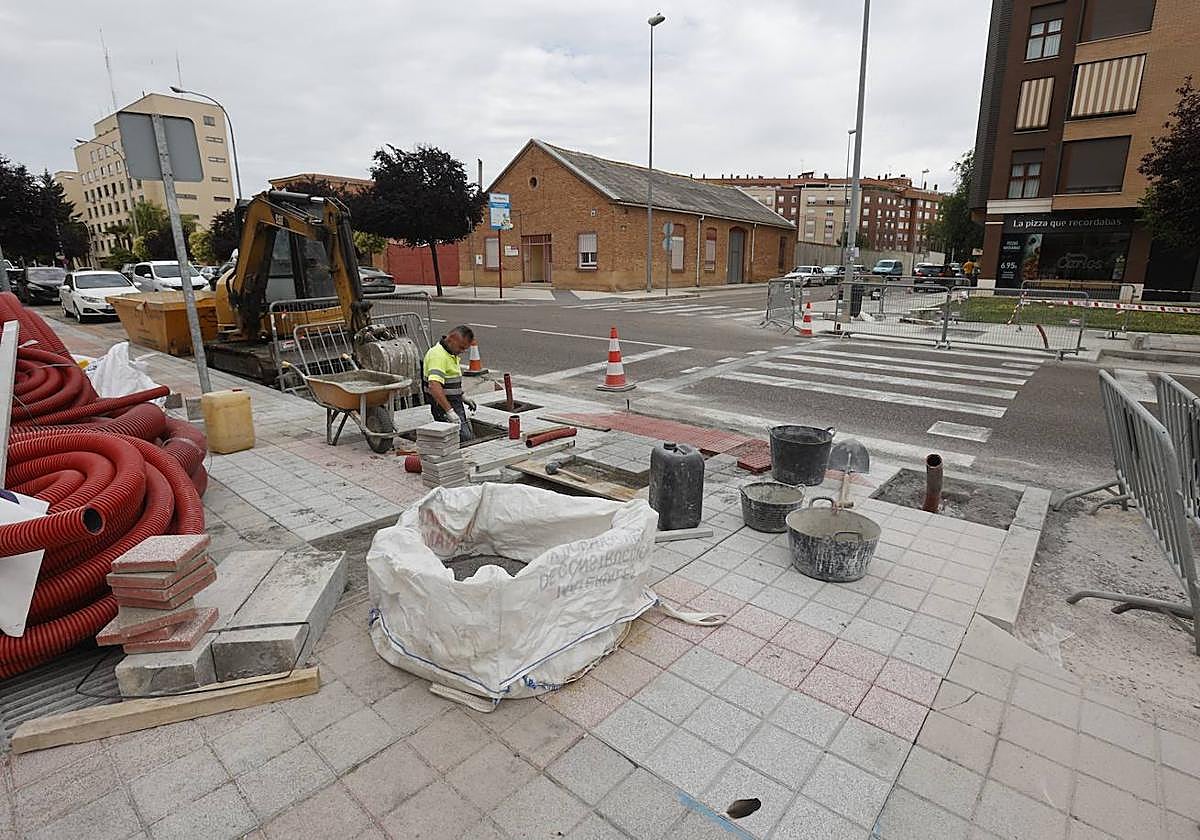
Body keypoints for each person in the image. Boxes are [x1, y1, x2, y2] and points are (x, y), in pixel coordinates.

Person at [423, 325, 477, 442]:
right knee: (462, 438)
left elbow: (449, 382)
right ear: (451, 339)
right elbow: (434, 385)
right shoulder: (438, 356)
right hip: (443, 406)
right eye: (461, 347)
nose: (462, 351)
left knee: (463, 436)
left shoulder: (450, 354)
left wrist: (462, 396)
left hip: (453, 403)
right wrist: (449, 411)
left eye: (465, 349)